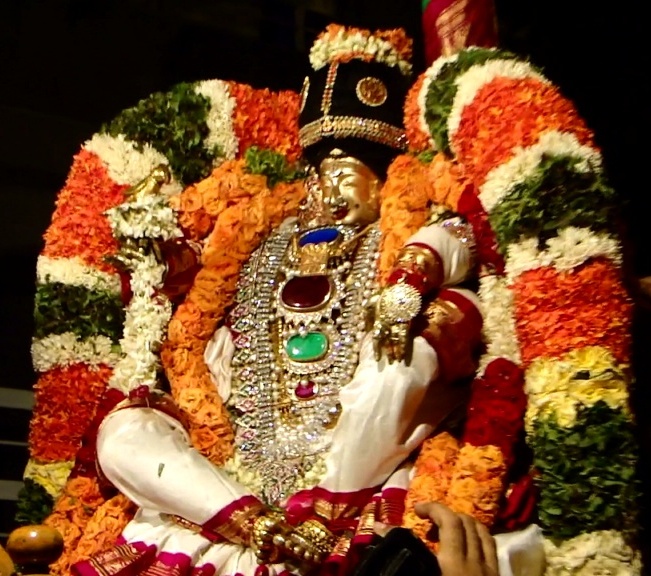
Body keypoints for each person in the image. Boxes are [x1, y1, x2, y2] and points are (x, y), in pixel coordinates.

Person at [71, 25, 536, 576]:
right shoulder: (261, 228)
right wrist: (158, 252)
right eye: (319, 176)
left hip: (355, 458)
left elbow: (459, 238)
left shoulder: (403, 225)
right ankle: (251, 524)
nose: (327, 192)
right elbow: (194, 278)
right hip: (234, 449)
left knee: (415, 343)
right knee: (122, 430)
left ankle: (322, 516)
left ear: (389, 182)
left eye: (346, 175)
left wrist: (408, 280)